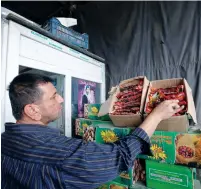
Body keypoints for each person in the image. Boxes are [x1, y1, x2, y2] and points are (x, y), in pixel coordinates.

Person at [1, 73, 183, 189]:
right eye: (54, 96)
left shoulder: (5, 140)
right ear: (33, 110)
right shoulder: (58, 151)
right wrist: (157, 116)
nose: (62, 99)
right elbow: (119, 157)